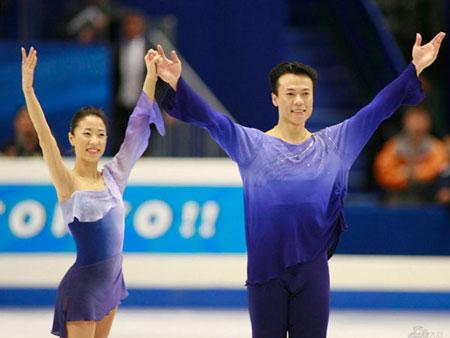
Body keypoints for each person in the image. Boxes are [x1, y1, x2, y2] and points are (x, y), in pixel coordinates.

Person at [151, 31, 445, 338]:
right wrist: (176, 85)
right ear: (275, 98)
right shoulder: (251, 145)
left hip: (312, 272)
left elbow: (376, 109)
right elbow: (212, 120)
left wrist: (414, 68)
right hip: (266, 272)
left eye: (306, 93)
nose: (299, 101)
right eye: (290, 94)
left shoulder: (335, 144)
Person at [21, 47, 164, 338]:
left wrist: (150, 77)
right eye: (86, 133)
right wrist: (28, 88)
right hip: (84, 286)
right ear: (72, 138)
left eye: (100, 134)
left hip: (112, 281)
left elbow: (137, 127)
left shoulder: (114, 176)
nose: (94, 141)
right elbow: (45, 138)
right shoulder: (68, 183)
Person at [374, 106, 447, 204]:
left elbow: (437, 168)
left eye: (420, 120)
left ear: (428, 122)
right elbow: (384, 172)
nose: (417, 125)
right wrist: (405, 174)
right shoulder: (393, 146)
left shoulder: (437, 147)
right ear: (405, 122)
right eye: (413, 120)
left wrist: (416, 172)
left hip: (428, 198)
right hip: (397, 199)